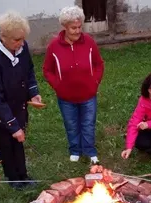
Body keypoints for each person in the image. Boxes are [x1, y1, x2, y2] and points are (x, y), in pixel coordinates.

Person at [0, 11, 42, 190]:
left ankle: (23, 175)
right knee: (7, 138)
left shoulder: (21, 46)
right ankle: (14, 179)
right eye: (16, 40)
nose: (21, 43)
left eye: (22, 39)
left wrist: (32, 92)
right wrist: (13, 125)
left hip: (13, 100)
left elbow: (29, 71)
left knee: (18, 138)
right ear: (3, 36)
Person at [43, 6, 104, 164]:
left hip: (88, 95)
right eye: (73, 28)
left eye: (79, 27)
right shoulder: (54, 46)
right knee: (71, 124)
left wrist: (94, 82)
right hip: (66, 97)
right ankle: (75, 149)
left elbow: (99, 64)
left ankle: (90, 150)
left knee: (88, 123)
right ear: (65, 27)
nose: (77, 31)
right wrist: (58, 85)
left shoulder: (89, 42)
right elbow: (47, 70)